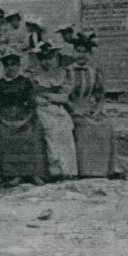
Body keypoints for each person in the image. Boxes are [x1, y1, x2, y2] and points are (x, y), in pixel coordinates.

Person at [0, 51, 46, 187]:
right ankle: (15, 174)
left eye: (14, 64)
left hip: (24, 115)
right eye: (7, 65)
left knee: (32, 135)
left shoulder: (25, 82)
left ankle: (34, 173)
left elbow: (32, 103)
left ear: (19, 66)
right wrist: (3, 120)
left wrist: (24, 120)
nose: (11, 68)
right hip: (4, 116)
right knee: (6, 136)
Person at [67, 39, 117, 178]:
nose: (81, 55)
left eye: (85, 52)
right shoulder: (66, 71)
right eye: (78, 51)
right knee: (85, 126)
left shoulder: (94, 72)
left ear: (89, 54)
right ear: (73, 52)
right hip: (71, 107)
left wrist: (97, 110)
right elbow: (63, 96)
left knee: (106, 124)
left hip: (88, 106)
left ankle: (102, 169)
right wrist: (74, 109)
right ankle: (85, 170)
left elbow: (100, 94)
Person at [28, 41, 78, 180]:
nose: (47, 62)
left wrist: (48, 96)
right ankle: (53, 170)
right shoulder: (32, 76)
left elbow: (64, 97)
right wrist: (37, 99)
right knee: (49, 129)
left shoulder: (61, 74)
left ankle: (67, 169)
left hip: (57, 108)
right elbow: (29, 95)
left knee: (65, 127)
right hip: (40, 108)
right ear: (38, 59)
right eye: (43, 58)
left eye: (50, 58)